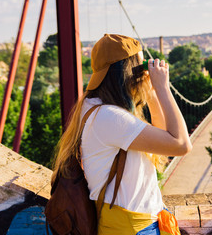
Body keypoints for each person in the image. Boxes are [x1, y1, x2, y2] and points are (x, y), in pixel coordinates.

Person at [52, 34, 192, 234]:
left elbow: (162, 140)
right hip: (133, 227)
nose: (145, 73)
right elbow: (181, 145)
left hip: (135, 222)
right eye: (141, 66)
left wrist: (151, 94)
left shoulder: (95, 107)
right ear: (127, 72)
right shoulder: (110, 117)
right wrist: (163, 88)